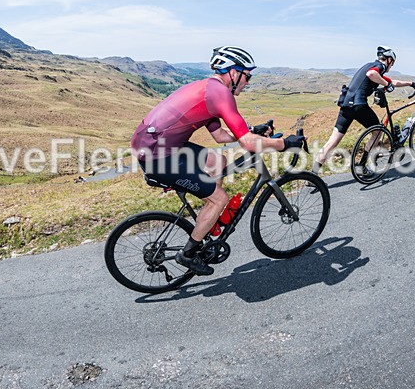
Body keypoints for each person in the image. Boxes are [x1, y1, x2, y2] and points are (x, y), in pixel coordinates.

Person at [130, 45, 305, 275]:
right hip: (158, 153)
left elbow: (220, 136)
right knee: (219, 198)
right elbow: (248, 144)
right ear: (233, 72)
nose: (248, 82)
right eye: (247, 76)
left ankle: (209, 219)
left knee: (217, 162)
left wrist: (252, 130)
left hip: (156, 144)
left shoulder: (208, 88)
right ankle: (188, 254)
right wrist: (285, 144)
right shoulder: (220, 94)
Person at [312, 46, 415, 173]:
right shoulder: (380, 66)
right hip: (358, 105)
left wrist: (410, 83)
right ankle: (361, 166)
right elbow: (371, 74)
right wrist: (386, 85)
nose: (391, 66)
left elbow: (392, 82)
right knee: (378, 131)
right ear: (389, 60)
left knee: (332, 141)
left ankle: (313, 174)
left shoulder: (370, 65)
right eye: (392, 63)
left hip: (346, 105)